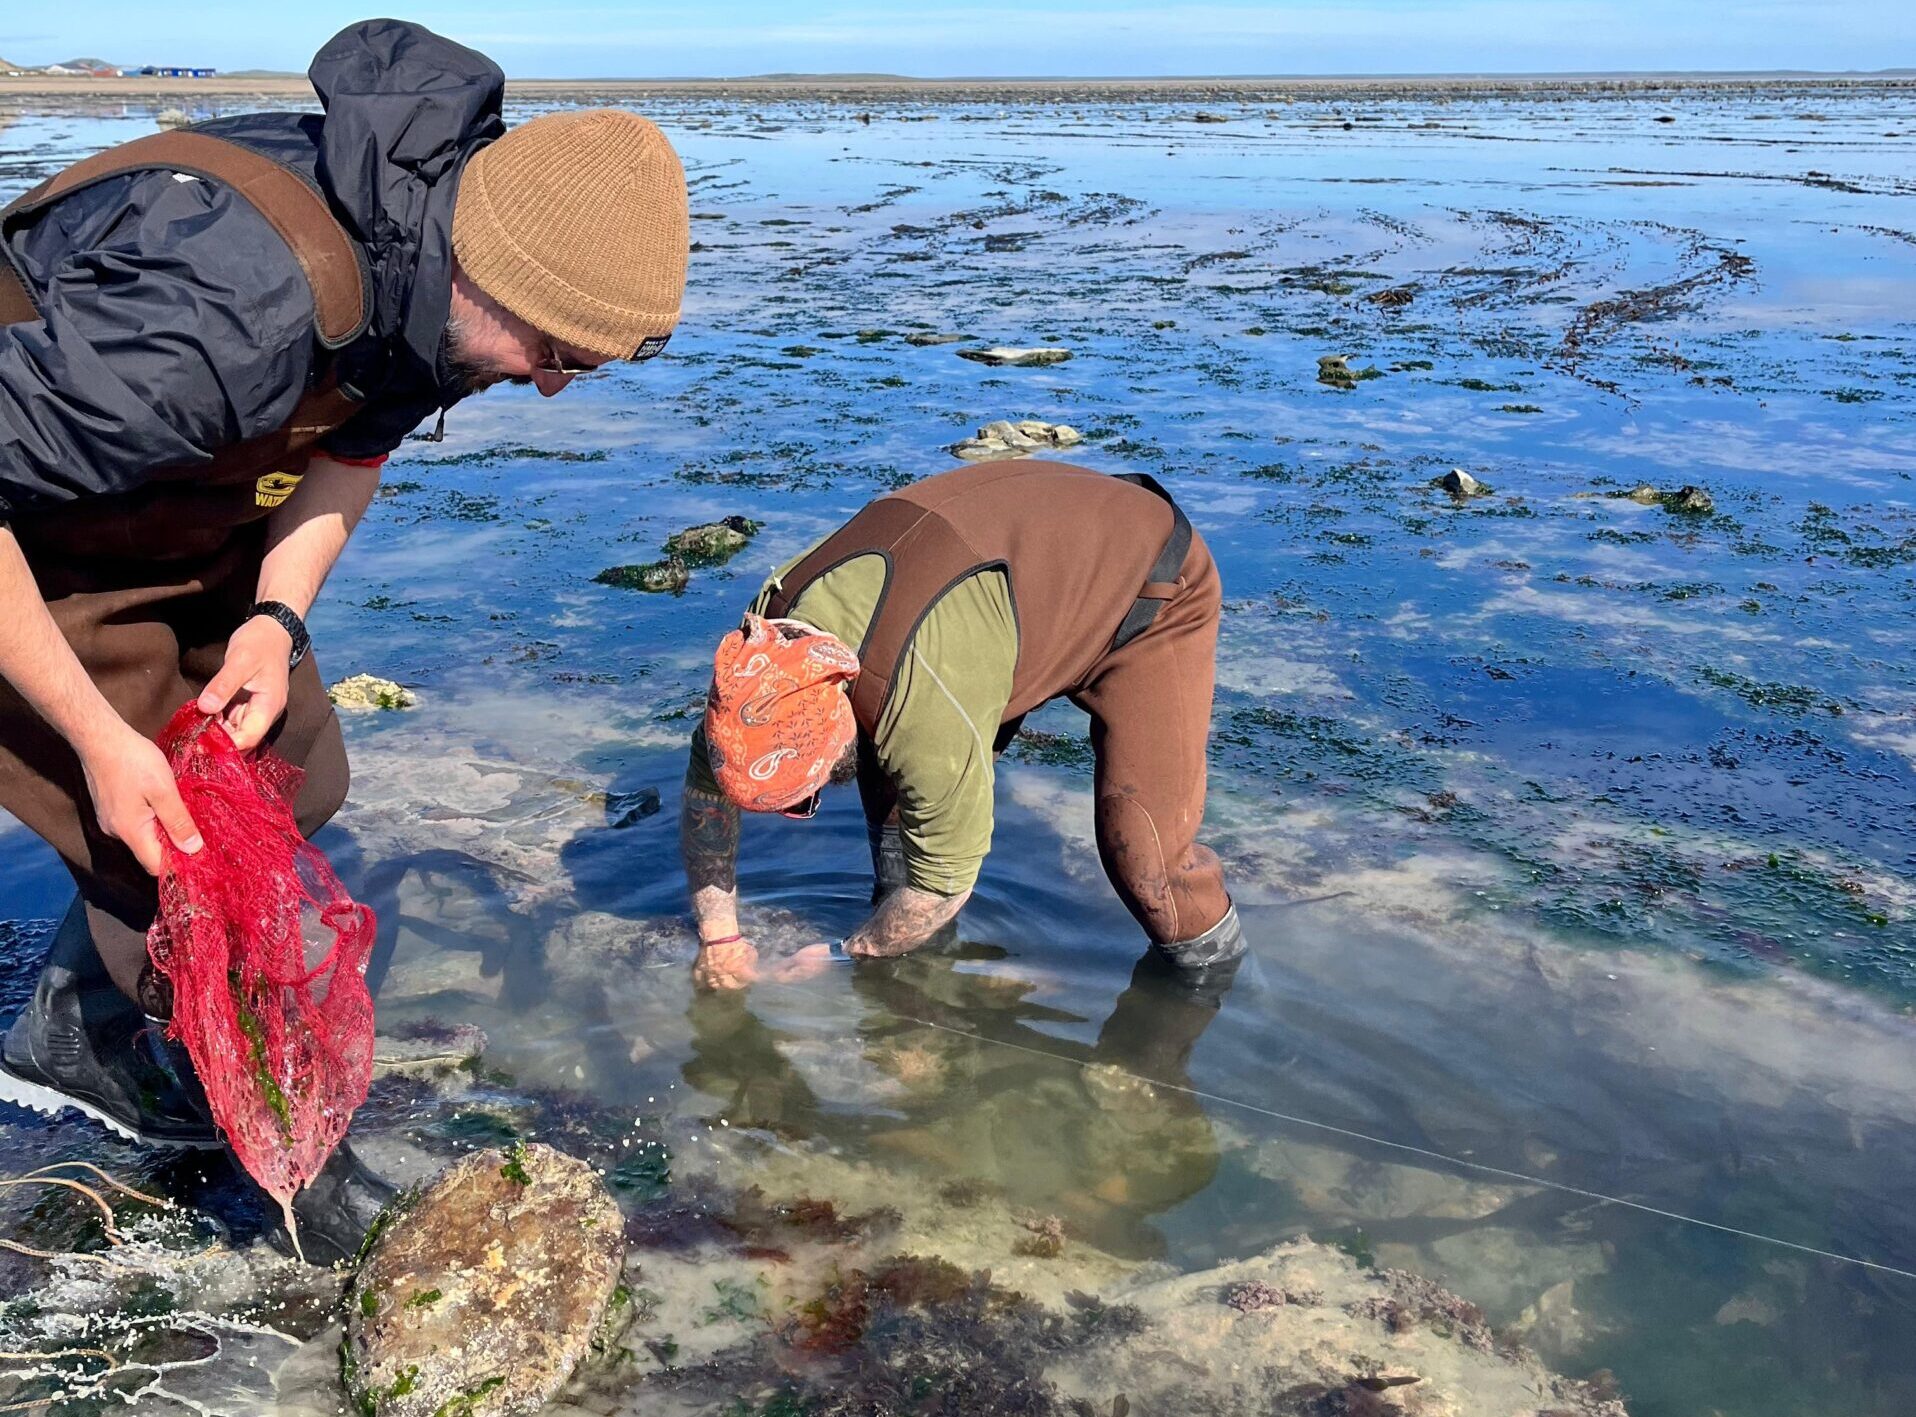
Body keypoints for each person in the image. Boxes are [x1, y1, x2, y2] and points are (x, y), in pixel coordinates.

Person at [0, 19, 689, 1260]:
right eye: (551, 354)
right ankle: (285, 1157)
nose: (547, 385)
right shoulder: (219, 317)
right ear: (486, 275)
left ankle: (70, 1026)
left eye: (579, 369)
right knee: (181, 848)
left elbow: (352, 443)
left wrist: (274, 620)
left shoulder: (441, 277)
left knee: (295, 773)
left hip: (167, 489)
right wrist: (100, 740)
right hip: (32, 511)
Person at [680, 459, 1243, 988]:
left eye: (809, 794)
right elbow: (707, 801)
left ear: (837, 718)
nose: (810, 805)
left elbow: (942, 886)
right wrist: (720, 938)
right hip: (1007, 590)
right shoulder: (749, 672)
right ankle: (919, 979)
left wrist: (844, 952)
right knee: (895, 790)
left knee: (1146, 861)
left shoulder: (922, 704)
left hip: (1145, 585)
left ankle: (1213, 988)